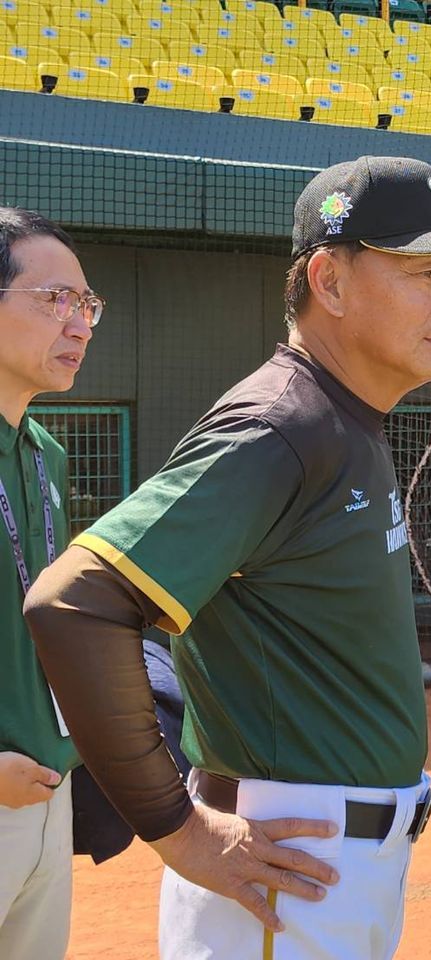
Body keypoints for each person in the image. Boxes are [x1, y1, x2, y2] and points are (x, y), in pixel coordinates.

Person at [24, 156, 431, 960]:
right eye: (422, 272)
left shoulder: (345, 418)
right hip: (281, 871)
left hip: (333, 869)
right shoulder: (280, 427)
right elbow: (75, 601)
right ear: (328, 280)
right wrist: (177, 830)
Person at [0, 206, 99, 960]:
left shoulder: (47, 454)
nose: (80, 323)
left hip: (47, 790)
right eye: (55, 299)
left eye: (87, 303)